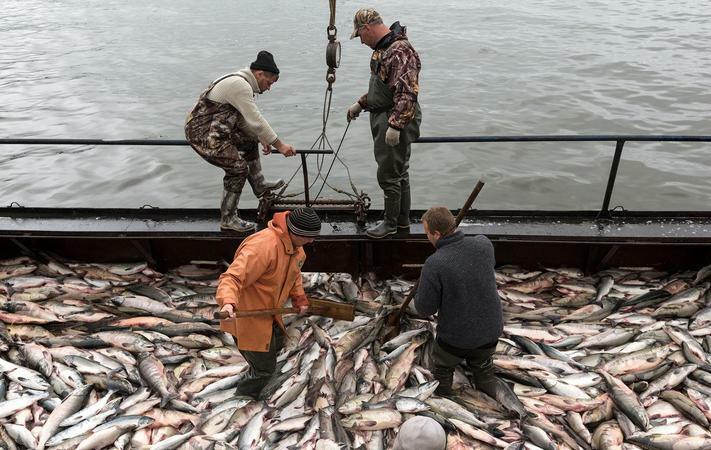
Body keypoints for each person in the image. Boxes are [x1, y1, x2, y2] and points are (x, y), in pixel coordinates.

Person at [414, 206, 528, 419]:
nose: (427, 237)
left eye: (427, 233)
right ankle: (496, 392)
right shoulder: (484, 244)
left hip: (455, 340)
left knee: (442, 371)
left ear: (437, 234)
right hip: (491, 332)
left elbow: (425, 308)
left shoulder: (435, 263)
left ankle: (447, 403)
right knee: (484, 372)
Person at [185, 50, 297, 233]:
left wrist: (259, 137)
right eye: (269, 82)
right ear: (259, 74)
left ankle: (259, 184)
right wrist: (280, 145)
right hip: (203, 134)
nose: (269, 88)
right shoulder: (240, 85)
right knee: (237, 168)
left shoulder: (241, 83)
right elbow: (256, 119)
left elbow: (243, 120)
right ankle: (228, 219)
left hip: (218, 130)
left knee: (249, 141)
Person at [215, 207, 321, 398]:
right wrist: (228, 303)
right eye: (309, 237)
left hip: (273, 313)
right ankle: (242, 399)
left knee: (278, 345)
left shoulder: (297, 249)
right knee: (264, 370)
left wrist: (299, 298)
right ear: (295, 232)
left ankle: (260, 370)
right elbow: (231, 278)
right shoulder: (262, 247)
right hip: (250, 319)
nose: (312, 241)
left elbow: (294, 275)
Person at [347, 8, 422, 239]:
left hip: (394, 117)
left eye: (359, 35)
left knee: (389, 175)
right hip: (384, 114)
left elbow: (407, 92)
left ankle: (390, 224)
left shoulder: (400, 50)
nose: (360, 41)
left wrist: (395, 126)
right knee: (399, 172)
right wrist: (361, 104)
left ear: (366, 28)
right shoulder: (383, 50)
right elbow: (382, 88)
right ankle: (401, 222)